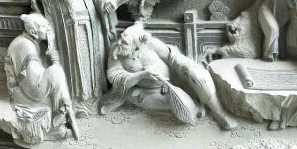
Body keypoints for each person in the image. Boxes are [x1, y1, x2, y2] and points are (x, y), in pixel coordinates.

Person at [101, 23, 235, 130]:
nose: (119, 43)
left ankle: (220, 113)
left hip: (174, 77)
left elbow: (173, 56)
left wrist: (188, 69)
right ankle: (196, 106)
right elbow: (115, 77)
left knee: (199, 77)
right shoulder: (116, 51)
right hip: (147, 91)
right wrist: (141, 75)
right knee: (175, 102)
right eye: (120, 39)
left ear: (137, 45)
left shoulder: (150, 44)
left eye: (124, 42)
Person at [38, 0, 118, 114]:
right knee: (73, 65)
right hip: (66, 31)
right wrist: (51, 35)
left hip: (89, 26)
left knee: (92, 63)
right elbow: (48, 12)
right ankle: (77, 102)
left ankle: (95, 98)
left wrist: (106, 2)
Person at [5, 13, 78, 144]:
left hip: (31, 85)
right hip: (25, 91)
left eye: (47, 25)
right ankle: (57, 126)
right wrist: (53, 72)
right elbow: (30, 81)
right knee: (55, 72)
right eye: (44, 27)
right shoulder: (24, 45)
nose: (48, 28)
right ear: (33, 32)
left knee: (56, 74)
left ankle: (63, 118)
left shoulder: (29, 41)